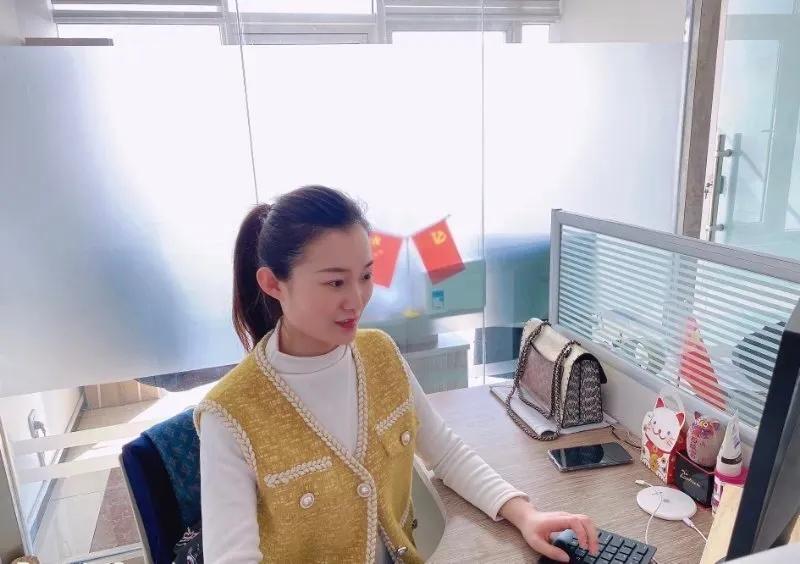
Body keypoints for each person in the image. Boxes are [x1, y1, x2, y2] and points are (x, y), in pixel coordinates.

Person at [196, 185, 599, 563]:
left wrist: (526, 515)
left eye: (366, 276)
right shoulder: (228, 415)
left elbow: (445, 452)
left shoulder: (379, 353)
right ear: (273, 284)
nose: (357, 299)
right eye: (335, 282)